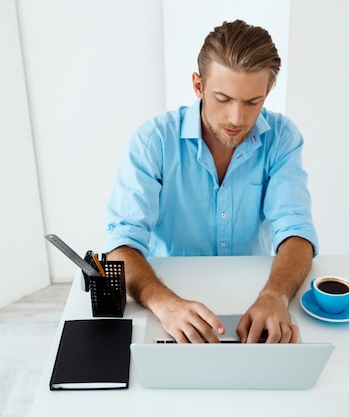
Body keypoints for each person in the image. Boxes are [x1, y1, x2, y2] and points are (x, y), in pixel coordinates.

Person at [104, 20, 318, 344]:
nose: (237, 118)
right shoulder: (153, 141)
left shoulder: (282, 138)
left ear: (268, 92)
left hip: (256, 297)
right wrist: (165, 304)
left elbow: (297, 231)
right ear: (198, 86)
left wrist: (275, 296)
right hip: (165, 295)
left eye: (252, 102)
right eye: (223, 98)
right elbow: (120, 245)